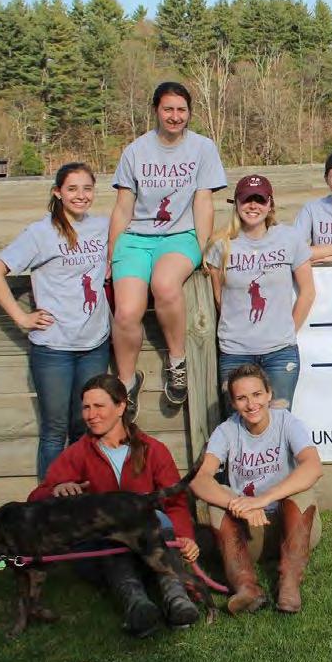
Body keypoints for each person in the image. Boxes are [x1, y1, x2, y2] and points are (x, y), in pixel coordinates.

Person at [28, 374, 201, 637]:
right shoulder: (78, 453)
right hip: (102, 552)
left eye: (99, 406)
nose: (91, 415)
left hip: (150, 545)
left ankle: (176, 598)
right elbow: (35, 499)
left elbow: (176, 501)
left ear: (121, 407)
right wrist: (56, 490)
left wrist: (185, 537)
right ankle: (135, 604)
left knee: (156, 517)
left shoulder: (153, 449)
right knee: (110, 525)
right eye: (86, 407)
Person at [108, 81, 228, 417]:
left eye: (181, 110)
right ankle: (127, 382)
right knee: (127, 311)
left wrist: (203, 248)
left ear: (189, 113)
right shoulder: (135, 151)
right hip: (136, 237)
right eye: (168, 109)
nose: (175, 116)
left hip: (180, 234)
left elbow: (203, 202)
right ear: (156, 111)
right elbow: (123, 207)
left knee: (164, 284)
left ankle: (177, 362)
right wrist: (111, 254)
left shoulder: (203, 148)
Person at [0, 163, 111, 479]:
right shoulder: (40, 233)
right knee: (55, 430)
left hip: (94, 344)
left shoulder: (103, 227)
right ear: (57, 192)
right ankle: (49, 500)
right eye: (72, 189)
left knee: (86, 427)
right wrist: (21, 317)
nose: (81, 195)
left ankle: (83, 499)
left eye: (87, 188)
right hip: (54, 348)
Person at [191, 363, 323, 614]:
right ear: (233, 403)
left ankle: (289, 583)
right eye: (242, 398)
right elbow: (200, 480)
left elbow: (313, 466)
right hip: (250, 533)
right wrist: (239, 505)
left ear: (269, 394)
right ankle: (247, 588)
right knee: (218, 500)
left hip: (294, 528)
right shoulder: (227, 430)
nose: (251, 404)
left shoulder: (287, 422)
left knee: (302, 489)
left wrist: (262, 500)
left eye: (257, 394)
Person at [205, 175, 315, 410]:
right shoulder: (221, 245)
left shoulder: (290, 239)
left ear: (270, 204)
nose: (253, 206)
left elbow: (307, 292)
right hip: (235, 352)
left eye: (260, 199)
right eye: (247, 199)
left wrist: (287, 330)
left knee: (279, 418)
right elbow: (219, 298)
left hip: (280, 353)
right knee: (239, 420)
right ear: (236, 203)